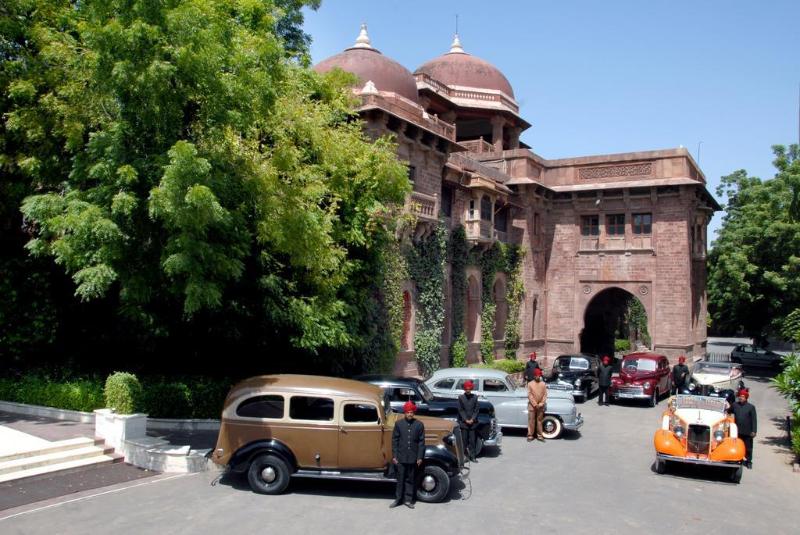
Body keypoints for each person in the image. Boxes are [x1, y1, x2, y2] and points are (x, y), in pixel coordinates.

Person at [390, 400, 425, 509]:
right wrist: (395, 456)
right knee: (400, 479)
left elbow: (421, 442)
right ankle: (398, 499)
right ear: (405, 413)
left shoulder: (419, 425)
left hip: (413, 457)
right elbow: (394, 440)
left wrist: (419, 457)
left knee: (410, 479)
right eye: (408, 412)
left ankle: (408, 500)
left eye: (411, 412)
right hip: (401, 457)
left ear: (414, 413)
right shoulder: (399, 424)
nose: (410, 414)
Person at [732, 388, 757, 469]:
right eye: (740, 396)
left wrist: (754, 431)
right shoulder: (735, 405)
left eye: (742, 396)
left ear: (746, 397)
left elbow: (754, 420)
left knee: (748, 447)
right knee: (736, 446)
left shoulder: (751, 407)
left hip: (747, 431)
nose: (741, 398)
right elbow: (728, 411)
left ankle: (749, 461)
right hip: (737, 431)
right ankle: (737, 459)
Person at [457, 380, 480, 462]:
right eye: (466, 389)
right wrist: (466, 419)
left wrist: (472, 419)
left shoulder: (475, 397)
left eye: (469, 389)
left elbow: (476, 410)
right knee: (464, 441)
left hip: (473, 423)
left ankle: (473, 456)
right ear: (464, 389)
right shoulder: (461, 398)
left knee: (473, 441)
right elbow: (460, 410)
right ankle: (464, 457)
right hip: (464, 423)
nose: (468, 390)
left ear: (471, 389)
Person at [527, 368, 547, 441]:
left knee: (539, 421)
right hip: (532, 406)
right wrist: (535, 404)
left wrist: (541, 403)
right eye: (536, 375)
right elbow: (529, 395)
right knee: (531, 421)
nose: (538, 377)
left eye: (539, 375)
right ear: (534, 376)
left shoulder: (543, 384)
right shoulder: (530, 384)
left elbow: (545, 395)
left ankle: (539, 435)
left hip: (541, 406)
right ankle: (530, 435)